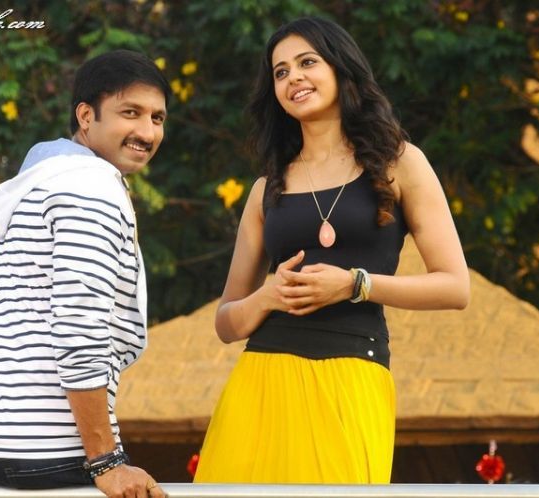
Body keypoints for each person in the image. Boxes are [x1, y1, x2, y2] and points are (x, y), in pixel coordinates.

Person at [193, 17, 470, 484]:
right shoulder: (266, 188)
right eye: (280, 72)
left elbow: (455, 287)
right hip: (261, 380)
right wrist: (269, 297)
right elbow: (226, 323)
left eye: (307, 63)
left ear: (341, 69)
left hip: (352, 374)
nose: (293, 78)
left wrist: (356, 285)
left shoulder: (401, 163)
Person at [0, 50, 170, 498]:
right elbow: (79, 326)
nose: (147, 132)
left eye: (157, 118)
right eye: (130, 113)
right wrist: (106, 460)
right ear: (86, 116)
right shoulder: (90, 186)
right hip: (51, 446)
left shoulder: (45, 180)